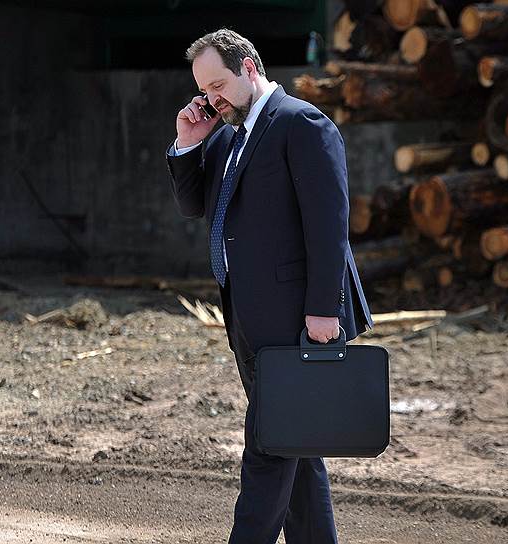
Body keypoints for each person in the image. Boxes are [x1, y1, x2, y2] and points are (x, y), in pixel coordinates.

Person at [165, 28, 373, 544]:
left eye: (218, 85)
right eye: (204, 90)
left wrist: (324, 309)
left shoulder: (301, 123)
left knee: (267, 450)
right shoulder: (226, 134)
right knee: (295, 448)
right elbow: (193, 206)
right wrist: (188, 143)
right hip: (246, 318)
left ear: (249, 67)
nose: (212, 99)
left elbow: (329, 225)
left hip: (296, 319)